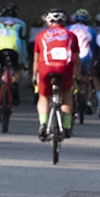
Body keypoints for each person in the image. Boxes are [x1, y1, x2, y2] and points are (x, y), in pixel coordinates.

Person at [32, 9, 80, 140]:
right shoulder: (71, 35)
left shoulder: (40, 35)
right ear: (63, 22)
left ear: (47, 22)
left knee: (43, 97)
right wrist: (77, 76)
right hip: (65, 67)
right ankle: (66, 126)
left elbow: (36, 60)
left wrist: (33, 76)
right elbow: (76, 59)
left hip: (45, 67)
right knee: (66, 95)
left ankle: (43, 123)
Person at [0, 3, 28, 117]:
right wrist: (24, 61)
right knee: (17, 68)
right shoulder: (21, 23)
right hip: (16, 47)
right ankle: (15, 84)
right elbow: (23, 40)